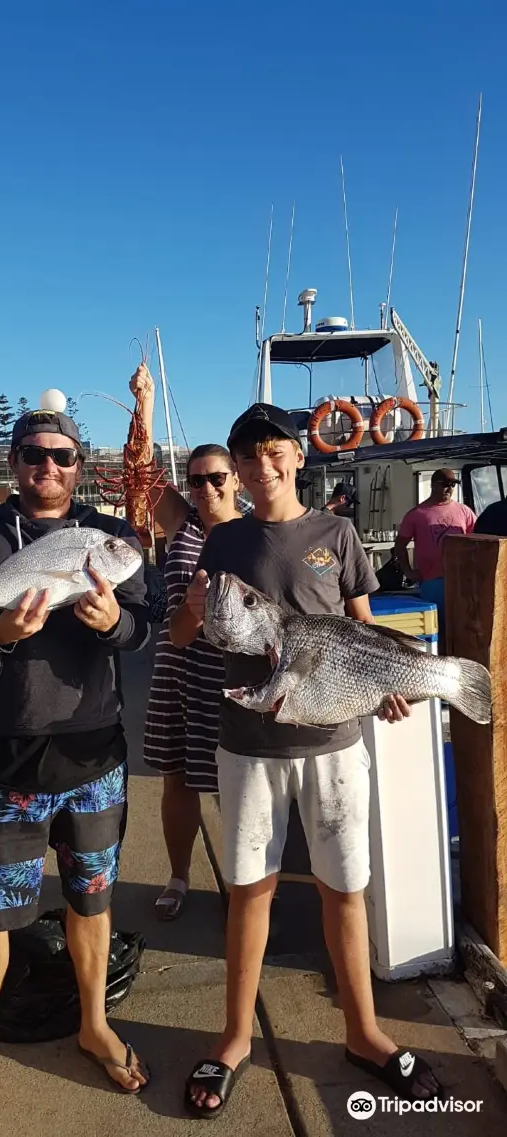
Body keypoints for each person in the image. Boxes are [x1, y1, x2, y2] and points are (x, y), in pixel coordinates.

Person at [171, 403, 443, 1119]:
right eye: (246, 458)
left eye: (272, 453)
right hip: (247, 743)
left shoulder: (338, 532)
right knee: (249, 890)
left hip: (334, 742)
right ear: (236, 470)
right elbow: (178, 636)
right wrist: (195, 609)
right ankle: (234, 1037)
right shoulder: (221, 542)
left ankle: (363, 1031)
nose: (261, 467)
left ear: (296, 457)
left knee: (344, 889)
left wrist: (390, 681)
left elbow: (363, 624)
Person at [0, 407, 151, 1135]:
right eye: (32, 454)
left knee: (92, 901)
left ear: (79, 465)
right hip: (4, 754)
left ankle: (93, 1023)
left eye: (60, 456)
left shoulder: (109, 539)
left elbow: (142, 624)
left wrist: (110, 623)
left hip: (94, 754)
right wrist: (0, 630)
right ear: (12, 462)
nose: (46, 467)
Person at [130, 364, 242, 920]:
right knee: (176, 778)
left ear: (236, 479)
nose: (206, 488)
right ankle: (178, 875)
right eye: (196, 479)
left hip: (232, 677)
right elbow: (143, 473)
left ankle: (245, 886)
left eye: (216, 477)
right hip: (177, 668)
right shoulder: (183, 525)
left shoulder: (252, 531)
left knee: (238, 783)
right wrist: (145, 404)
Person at [394, 469, 476, 644]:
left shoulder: (464, 511)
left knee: (462, 627)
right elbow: (400, 545)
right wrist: (408, 572)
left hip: (460, 580)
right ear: (433, 485)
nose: (449, 488)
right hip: (432, 580)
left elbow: (477, 541)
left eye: (453, 485)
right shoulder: (416, 514)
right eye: (445, 484)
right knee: (435, 629)